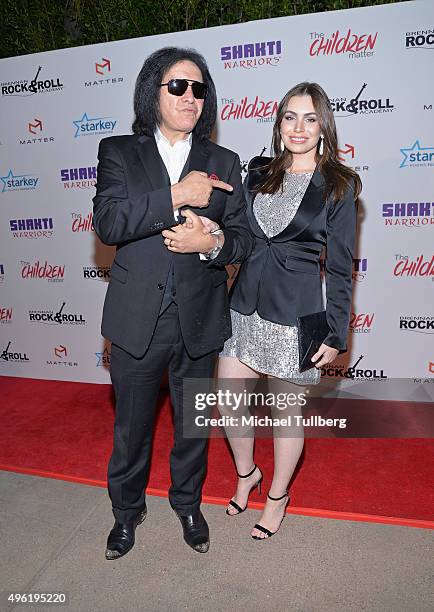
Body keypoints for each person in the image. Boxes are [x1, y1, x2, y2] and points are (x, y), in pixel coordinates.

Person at [92, 47, 252, 559]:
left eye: (199, 89)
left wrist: (213, 244)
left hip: (200, 320)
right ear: (152, 93)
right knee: (131, 429)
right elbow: (110, 224)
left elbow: (245, 238)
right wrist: (177, 195)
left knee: (193, 427)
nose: (190, 97)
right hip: (138, 318)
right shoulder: (118, 152)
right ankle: (125, 512)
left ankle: (187, 504)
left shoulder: (225, 162)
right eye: (178, 86)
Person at [215, 82, 361, 540]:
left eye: (310, 118)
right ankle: (246, 474)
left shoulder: (340, 184)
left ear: (323, 128)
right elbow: (238, 233)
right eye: (290, 117)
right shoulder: (258, 172)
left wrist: (336, 333)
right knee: (227, 402)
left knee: (285, 417)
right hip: (243, 308)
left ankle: (277, 497)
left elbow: (340, 268)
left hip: (296, 318)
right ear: (278, 124)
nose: (299, 127)